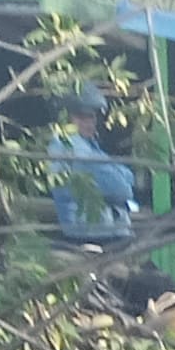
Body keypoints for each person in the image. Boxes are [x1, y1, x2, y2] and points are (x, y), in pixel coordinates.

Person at [48, 87, 139, 250]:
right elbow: (121, 190)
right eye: (81, 117)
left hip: (105, 230)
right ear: (67, 118)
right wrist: (117, 176)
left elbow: (129, 176)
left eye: (91, 117)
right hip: (90, 232)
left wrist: (117, 175)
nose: (88, 123)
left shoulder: (89, 146)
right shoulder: (70, 146)